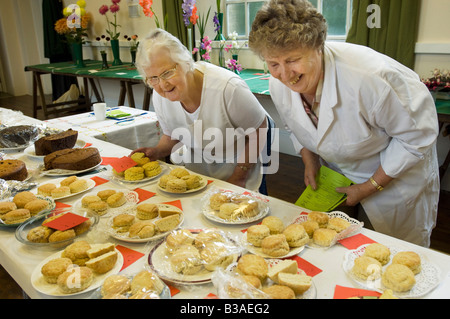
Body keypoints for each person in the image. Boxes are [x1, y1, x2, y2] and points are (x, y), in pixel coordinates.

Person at [249, 0, 440, 247]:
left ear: (318, 47)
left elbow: (417, 136)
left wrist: (370, 187)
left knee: (392, 253)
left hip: (396, 181)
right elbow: (293, 124)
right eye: (273, 64)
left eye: (293, 60)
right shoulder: (279, 84)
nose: (285, 75)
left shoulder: (372, 77)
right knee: (336, 250)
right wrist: (310, 158)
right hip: (340, 176)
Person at [132, 29, 272, 192]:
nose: (163, 85)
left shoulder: (228, 88)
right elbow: (172, 134)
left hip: (241, 163)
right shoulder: (160, 96)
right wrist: (156, 151)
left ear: (186, 63)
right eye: (153, 78)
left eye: (167, 73)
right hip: (200, 172)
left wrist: (239, 177)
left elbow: (259, 130)